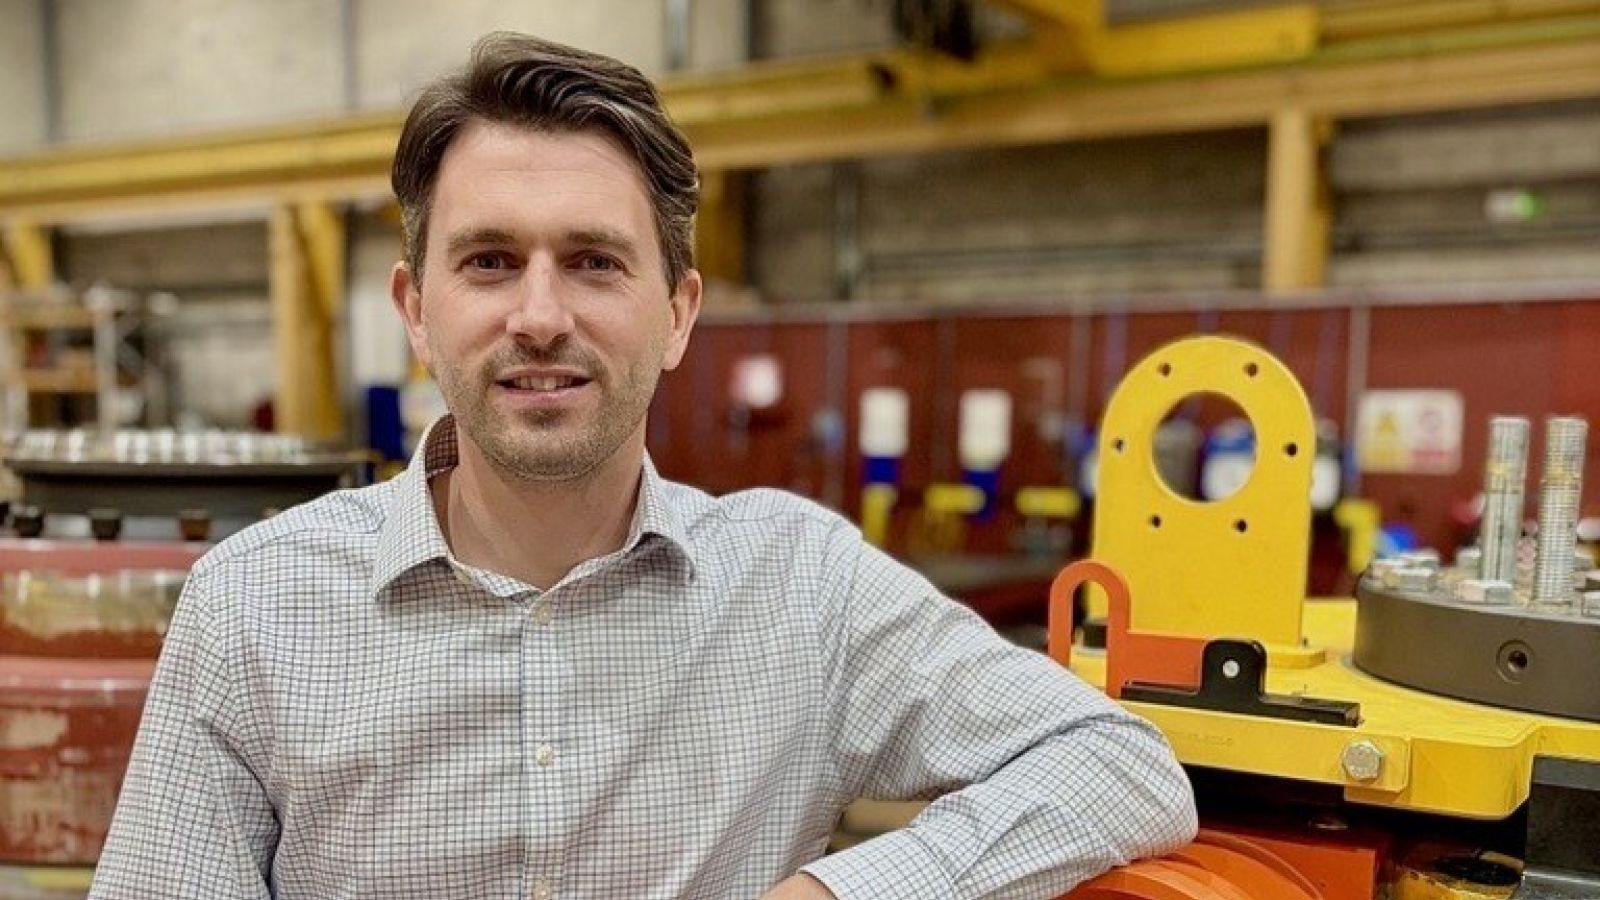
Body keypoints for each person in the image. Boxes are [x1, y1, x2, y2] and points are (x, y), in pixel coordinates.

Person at [90, 32, 1195, 900]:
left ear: (677, 313)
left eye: (592, 262)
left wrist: (838, 892)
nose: (539, 316)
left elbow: (1117, 763)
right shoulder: (255, 610)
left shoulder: (801, 588)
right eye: (489, 261)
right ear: (415, 310)